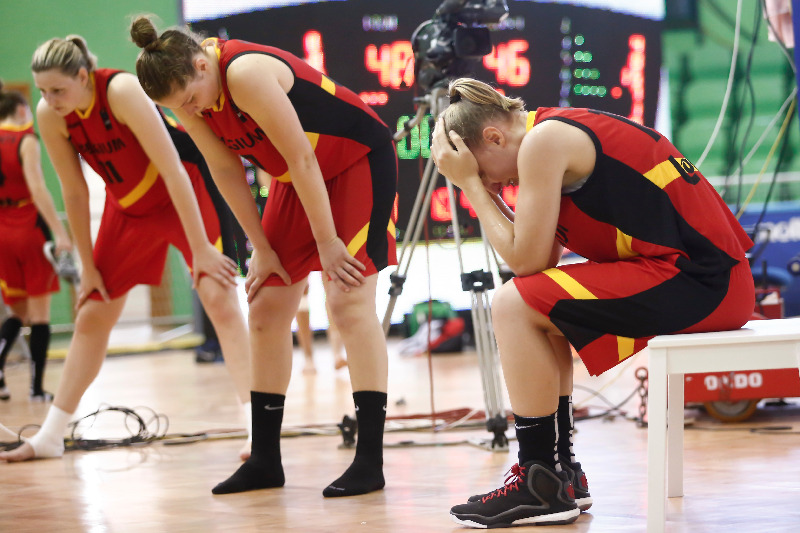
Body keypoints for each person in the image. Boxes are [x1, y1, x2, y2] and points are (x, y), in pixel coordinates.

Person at [430, 78, 755, 528]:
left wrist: (470, 187)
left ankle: (539, 478)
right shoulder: (547, 137)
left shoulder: (544, 140)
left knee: (511, 304)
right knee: (535, 304)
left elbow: (522, 262)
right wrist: (479, 183)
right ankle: (559, 472)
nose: (492, 181)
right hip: (706, 280)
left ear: (493, 137)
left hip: (704, 282)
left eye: (483, 169)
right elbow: (539, 261)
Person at [130, 17, 397, 498]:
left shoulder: (245, 73)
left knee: (347, 303)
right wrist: (262, 248)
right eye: (179, 108)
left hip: (355, 161)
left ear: (200, 63)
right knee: (267, 305)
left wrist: (329, 242)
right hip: (298, 181)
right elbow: (224, 169)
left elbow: (302, 157)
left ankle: (370, 460)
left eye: (191, 99)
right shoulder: (186, 95)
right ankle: (265, 460)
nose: (191, 110)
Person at [0, 35, 253, 463]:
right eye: (42, 91)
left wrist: (200, 250)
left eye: (58, 89)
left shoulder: (119, 89)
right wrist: (87, 268)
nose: (49, 99)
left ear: (83, 76)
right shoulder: (50, 115)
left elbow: (173, 167)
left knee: (218, 298)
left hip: (179, 193)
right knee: (92, 312)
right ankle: (50, 436)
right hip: (127, 210)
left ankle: (256, 428)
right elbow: (74, 193)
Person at [0, 82, 73, 402]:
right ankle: (37, 388)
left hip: (1, 232)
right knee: (40, 315)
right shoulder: (26, 139)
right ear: (20, 109)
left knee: (17, 314)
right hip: (27, 228)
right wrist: (60, 232)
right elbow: (38, 189)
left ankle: (2, 376)